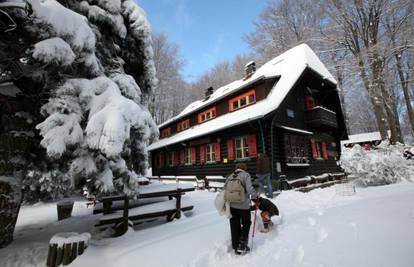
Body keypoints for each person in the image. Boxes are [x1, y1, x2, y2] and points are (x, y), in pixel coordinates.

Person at [224, 163, 256, 255]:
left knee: (234, 225)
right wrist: (255, 196)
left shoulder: (230, 176)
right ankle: (242, 245)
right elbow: (250, 189)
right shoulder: (246, 175)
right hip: (243, 206)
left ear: (236, 168)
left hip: (232, 206)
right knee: (246, 223)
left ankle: (235, 246)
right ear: (244, 169)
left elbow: (224, 189)